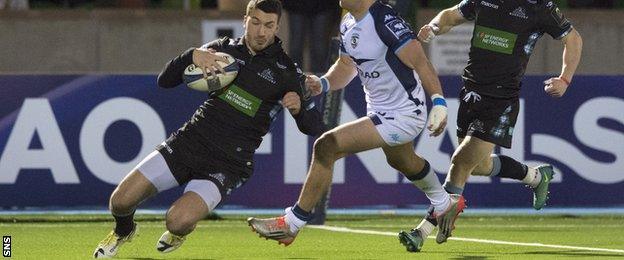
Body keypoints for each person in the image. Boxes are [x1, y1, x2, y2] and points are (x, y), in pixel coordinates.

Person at [92, 0, 325, 257]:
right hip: (189, 142)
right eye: (256, 23)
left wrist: (299, 109)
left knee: (176, 221)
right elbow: (165, 81)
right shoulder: (221, 51)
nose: (261, 32)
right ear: (244, 21)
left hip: (228, 163)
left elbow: (314, 126)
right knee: (120, 201)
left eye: (269, 26)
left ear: (277, 27)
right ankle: (124, 230)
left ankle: (179, 232)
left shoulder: (287, 72)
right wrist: (191, 56)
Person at [247, 0, 465, 252]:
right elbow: (346, 66)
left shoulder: (384, 20)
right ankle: (443, 202)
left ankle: (292, 223)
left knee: (327, 146)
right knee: (402, 161)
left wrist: (438, 102)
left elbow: (421, 62)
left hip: (404, 113)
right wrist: (324, 83)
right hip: (380, 111)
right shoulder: (348, 22)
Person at [400, 0, 583, 250]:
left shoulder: (539, 6)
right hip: (470, 92)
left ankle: (422, 231)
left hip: (501, 98)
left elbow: (572, 38)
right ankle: (536, 176)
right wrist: (433, 27)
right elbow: (451, 15)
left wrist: (565, 78)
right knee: (478, 166)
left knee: (461, 160)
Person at [282, 0, 340, 72]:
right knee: (296, 46)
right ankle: (295, 78)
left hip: (323, 6)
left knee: (319, 48)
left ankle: (319, 79)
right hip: (296, 6)